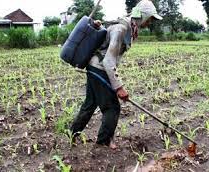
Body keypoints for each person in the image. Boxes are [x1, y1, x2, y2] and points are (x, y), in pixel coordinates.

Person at [70, 0, 163, 149]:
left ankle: (72, 133)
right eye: (150, 18)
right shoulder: (122, 28)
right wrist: (119, 87)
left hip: (95, 67)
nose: (150, 22)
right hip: (99, 68)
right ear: (144, 16)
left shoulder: (128, 28)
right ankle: (104, 142)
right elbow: (108, 61)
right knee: (112, 107)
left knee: (91, 103)